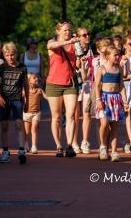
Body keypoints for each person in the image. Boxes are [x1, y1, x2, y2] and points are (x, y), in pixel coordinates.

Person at [46, 21, 79, 158]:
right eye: (65, 30)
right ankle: (59, 146)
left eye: (69, 30)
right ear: (58, 31)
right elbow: (51, 45)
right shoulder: (52, 43)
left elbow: (76, 63)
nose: (68, 32)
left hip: (70, 83)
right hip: (54, 84)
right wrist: (67, 42)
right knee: (57, 117)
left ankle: (70, 145)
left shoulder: (73, 46)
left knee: (71, 114)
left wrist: (80, 61)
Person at [0, 42, 28, 164]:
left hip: (17, 98)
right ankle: (5, 152)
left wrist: (28, 100)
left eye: (12, 55)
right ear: (4, 55)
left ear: (16, 54)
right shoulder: (2, 67)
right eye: (8, 55)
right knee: (4, 126)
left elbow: (26, 85)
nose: (10, 58)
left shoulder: (22, 67)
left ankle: (21, 150)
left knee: (19, 124)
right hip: (4, 99)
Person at [94, 45, 129, 162]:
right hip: (104, 99)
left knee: (114, 126)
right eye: (115, 55)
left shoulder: (119, 68)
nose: (117, 57)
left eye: (118, 55)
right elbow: (97, 85)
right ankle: (103, 147)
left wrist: (124, 101)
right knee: (104, 123)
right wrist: (98, 100)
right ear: (108, 56)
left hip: (116, 99)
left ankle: (114, 151)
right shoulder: (102, 69)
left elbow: (122, 86)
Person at [75, 28, 94, 154]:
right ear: (78, 37)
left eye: (88, 34)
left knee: (87, 114)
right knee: (75, 115)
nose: (87, 36)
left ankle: (85, 141)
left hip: (88, 84)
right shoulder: (73, 49)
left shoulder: (93, 50)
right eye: (84, 35)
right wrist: (78, 59)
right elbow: (74, 66)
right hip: (75, 84)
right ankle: (74, 141)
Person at [121, 35, 131, 153]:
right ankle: (129, 141)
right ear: (125, 46)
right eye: (130, 44)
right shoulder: (123, 59)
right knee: (129, 115)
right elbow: (122, 75)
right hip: (127, 87)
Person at [24, 73, 47, 154]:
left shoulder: (39, 90)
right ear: (29, 81)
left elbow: (46, 97)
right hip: (26, 113)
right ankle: (25, 144)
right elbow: (19, 97)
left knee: (34, 129)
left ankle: (34, 146)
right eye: (34, 78)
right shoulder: (25, 91)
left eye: (37, 78)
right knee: (26, 131)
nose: (36, 79)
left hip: (36, 113)